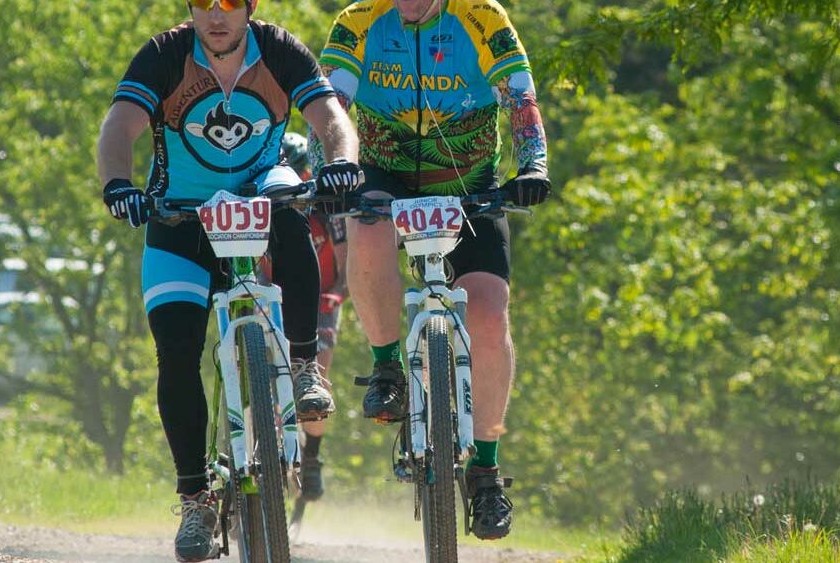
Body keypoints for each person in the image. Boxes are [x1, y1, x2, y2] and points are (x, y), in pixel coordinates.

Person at [95, 1, 362, 560]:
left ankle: (304, 364)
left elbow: (331, 118)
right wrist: (118, 181)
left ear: (251, 8)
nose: (216, 16)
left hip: (256, 210)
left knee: (289, 200)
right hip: (180, 221)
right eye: (203, 4)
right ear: (190, 9)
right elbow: (119, 124)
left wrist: (342, 158)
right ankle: (195, 500)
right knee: (177, 350)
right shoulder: (165, 54)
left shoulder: (281, 50)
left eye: (230, 4)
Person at [309, 0, 552, 541]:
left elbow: (521, 99)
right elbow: (328, 105)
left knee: (488, 315)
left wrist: (532, 164)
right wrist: (330, 168)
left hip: (469, 183)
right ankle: (387, 366)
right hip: (382, 171)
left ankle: (486, 472)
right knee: (366, 226)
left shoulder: (482, 16)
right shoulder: (359, 20)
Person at [259, 132, 349, 502]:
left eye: (301, 174)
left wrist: (337, 294)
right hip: (275, 299)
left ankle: (311, 458)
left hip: (322, 302)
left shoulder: (327, 208)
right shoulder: (266, 204)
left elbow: (347, 266)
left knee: (317, 375)